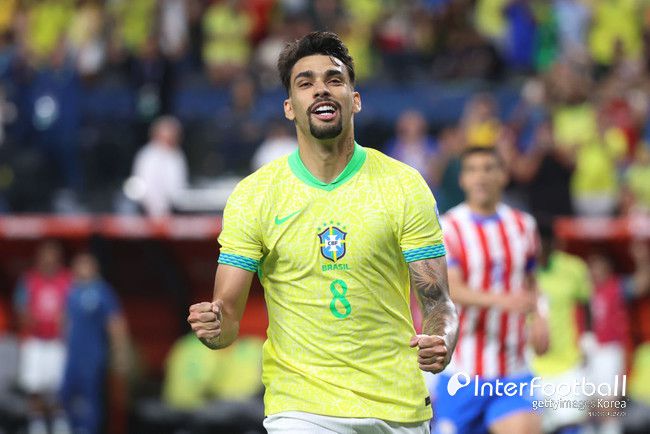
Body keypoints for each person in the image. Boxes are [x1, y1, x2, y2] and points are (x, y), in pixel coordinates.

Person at [188, 31, 458, 433]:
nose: (321, 89)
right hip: (301, 409)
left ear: (355, 99)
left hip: (397, 407)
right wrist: (213, 326)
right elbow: (226, 316)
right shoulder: (254, 195)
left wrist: (441, 339)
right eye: (305, 82)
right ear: (289, 108)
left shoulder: (404, 185)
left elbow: (438, 303)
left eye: (334, 80)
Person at [433, 146, 546, 434]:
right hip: (463, 371)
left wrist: (541, 317)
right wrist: (502, 301)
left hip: (512, 370)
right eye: (472, 170)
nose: (480, 177)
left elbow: (532, 280)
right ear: (463, 179)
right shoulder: (449, 227)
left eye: (488, 168)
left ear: (503, 175)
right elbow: (452, 288)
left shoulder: (523, 225)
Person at [59, 253, 129, 434]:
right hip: (73, 355)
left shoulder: (103, 291)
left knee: (91, 397)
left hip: (93, 355)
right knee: (66, 394)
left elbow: (115, 323)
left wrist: (119, 352)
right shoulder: (72, 291)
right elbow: (65, 320)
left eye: (85, 264)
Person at [532, 224, 592, 434]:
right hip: (529, 367)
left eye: (546, 245)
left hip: (567, 364)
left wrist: (588, 338)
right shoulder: (521, 270)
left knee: (570, 425)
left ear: (554, 244)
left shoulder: (573, 268)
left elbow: (586, 303)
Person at [13, 241, 72, 434]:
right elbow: (20, 306)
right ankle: (36, 423)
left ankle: (59, 421)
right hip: (35, 341)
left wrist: (66, 320)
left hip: (58, 341)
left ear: (58, 258)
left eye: (52, 256)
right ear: (39, 258)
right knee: (34, 385)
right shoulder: (28, 279)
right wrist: (28, 318)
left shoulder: (67, 280)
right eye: (45, 256)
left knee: (58, 386)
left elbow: (73, 308)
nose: (48, 260)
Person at [130, 115, 188, 217]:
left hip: (173, 211)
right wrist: (155, 210)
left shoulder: (177, 155)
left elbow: (178, 185)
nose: (169, 137)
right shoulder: (147, 155)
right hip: (147, 212)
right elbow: (142, 185)